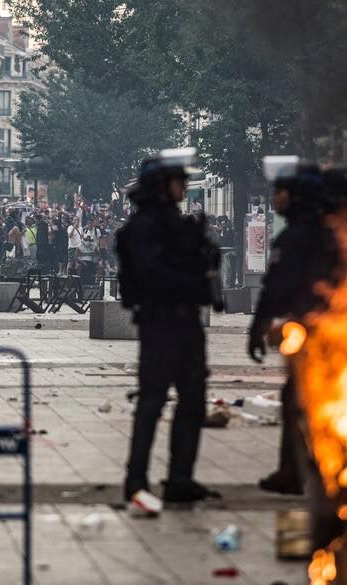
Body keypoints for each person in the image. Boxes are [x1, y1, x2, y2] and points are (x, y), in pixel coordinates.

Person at [116, 150, 218, 515]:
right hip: (161, 324)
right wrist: (195, 281)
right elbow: (151, 276)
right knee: (152, 403)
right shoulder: (144, 227)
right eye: (179, 181)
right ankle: (136, 480)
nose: (184, 187)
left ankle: (180, 479)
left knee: (193, 401)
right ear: (162, 186)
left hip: (186, 324)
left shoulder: (175, 223)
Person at [247, 162, 335, 496]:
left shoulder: (298, 236)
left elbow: (276, 287)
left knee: (298, 398)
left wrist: (258, 325)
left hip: (315, 331)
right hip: (338, 331)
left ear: (295, 196)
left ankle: (294, 472)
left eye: (280, 192)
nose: (275, 198)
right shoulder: (327, 232)